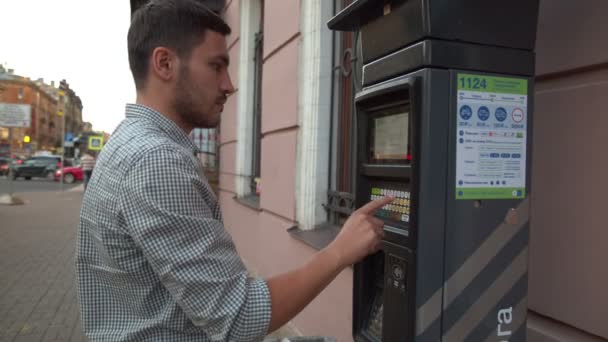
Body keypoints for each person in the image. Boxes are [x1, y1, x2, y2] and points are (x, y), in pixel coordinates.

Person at [75, 1, 393, 341]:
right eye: (216, 66)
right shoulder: (155, 162)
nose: (229, 84)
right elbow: (239, 317)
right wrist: (340, 251)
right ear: (165, 63)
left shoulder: (128, 142)